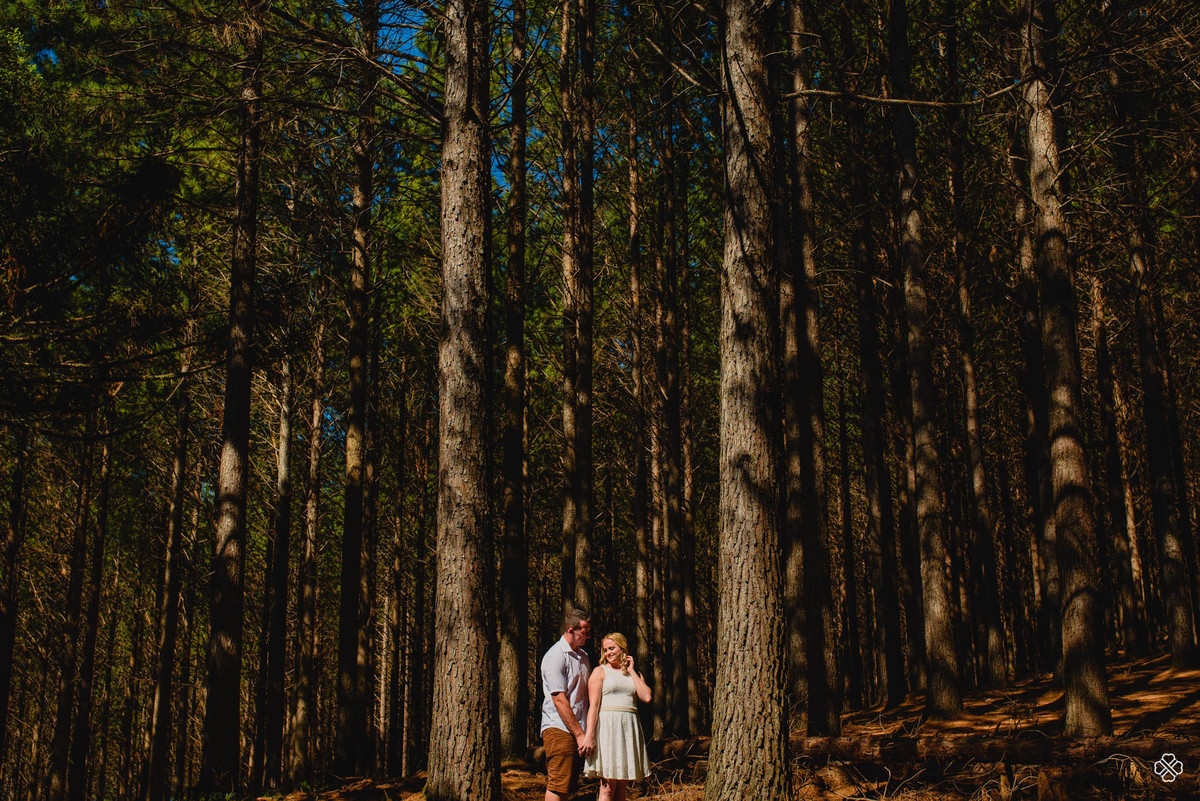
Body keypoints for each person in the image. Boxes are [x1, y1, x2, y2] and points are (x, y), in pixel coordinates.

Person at [582, 633, 651, 801]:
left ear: (622, 648)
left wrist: (632, 670)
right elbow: (594, 707)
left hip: (627, 729)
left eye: (612, 648)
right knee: (607, 788)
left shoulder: (633, 674)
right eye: (605, 650)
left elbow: (646, 697)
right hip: (607, 730)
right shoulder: (599, 672)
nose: (608, 653)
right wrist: (589, 736)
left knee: (622, 787)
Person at [540, 608, 594, 801]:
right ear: (571, 630)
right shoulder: (555, 656)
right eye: (584, 631)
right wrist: (580, 734)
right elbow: (559, 699)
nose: (588, 635)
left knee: (568, 786)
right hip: (559, 728)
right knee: (558, 785)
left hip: (578, 729)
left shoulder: (583, 656)